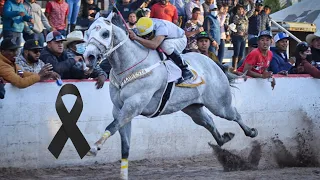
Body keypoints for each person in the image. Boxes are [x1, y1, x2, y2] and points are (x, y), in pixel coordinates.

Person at [129, 17, 193, 83]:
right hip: (167, 38)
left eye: (148, 35)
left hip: (180, 39)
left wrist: (136, 38)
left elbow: (154, 45)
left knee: (165, 45)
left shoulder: (161, 27)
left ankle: (185, 69)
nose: (146, 37)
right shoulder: (143, 25)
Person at [231, 1, 255, 69]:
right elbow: (237, 22)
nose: (241, 10)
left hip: (244, 37)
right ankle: (234, 67)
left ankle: (238, 67)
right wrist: (243, 16)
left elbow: (252, 11)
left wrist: (252, 3)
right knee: (236, 53)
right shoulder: (235, 16)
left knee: (241, 54)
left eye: (242, 9)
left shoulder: (245, 16)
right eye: (239, 9)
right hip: (237, 36)